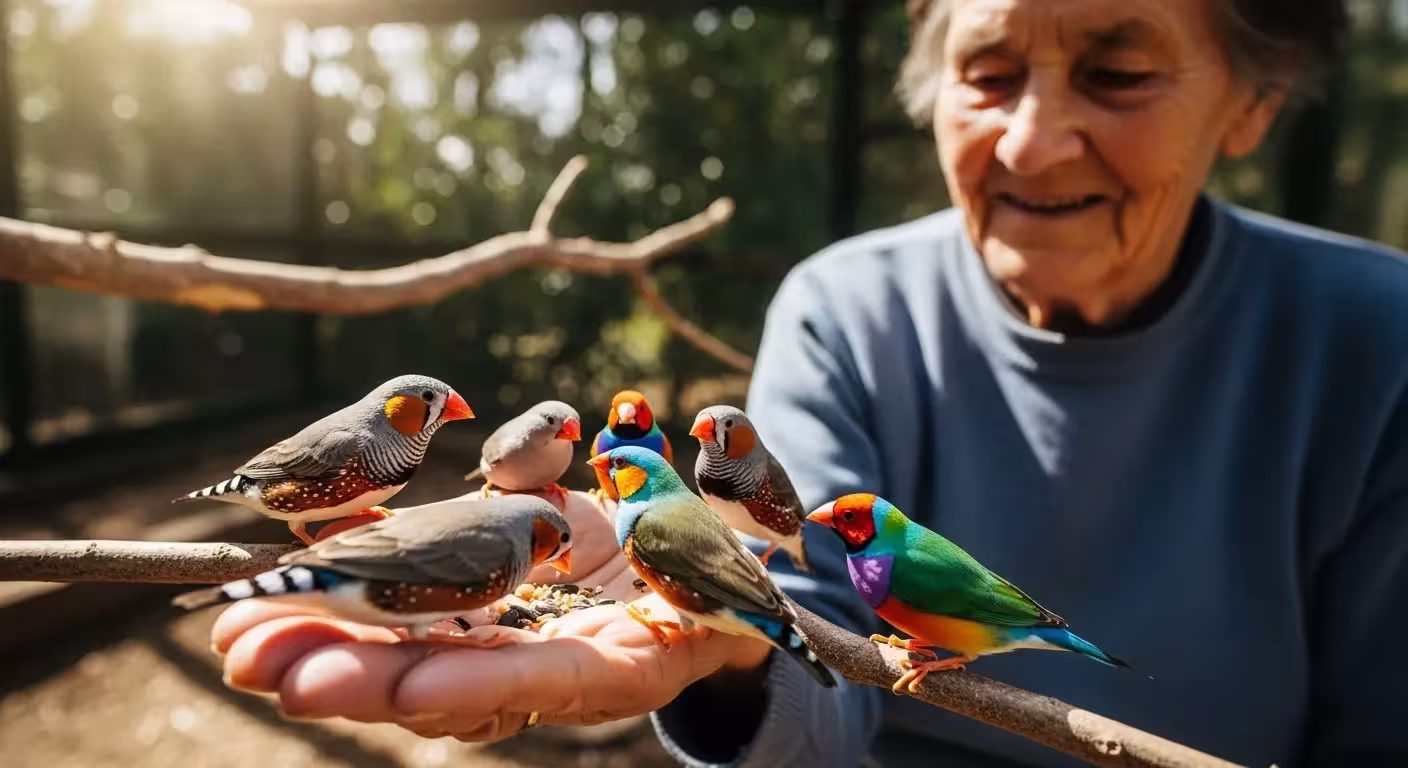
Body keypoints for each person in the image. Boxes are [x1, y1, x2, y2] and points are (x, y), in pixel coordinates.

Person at [209, 0, 1408, 765]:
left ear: (1253, 100)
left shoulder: (1380, 334)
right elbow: (814, 642)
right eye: (988, 73)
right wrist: (739, 655)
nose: (1035, 142)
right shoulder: (845, 310)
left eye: (1118, 74)